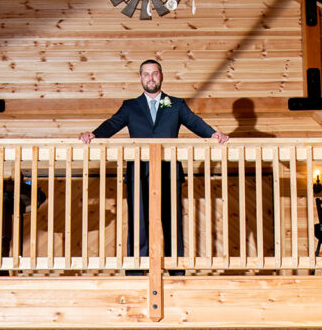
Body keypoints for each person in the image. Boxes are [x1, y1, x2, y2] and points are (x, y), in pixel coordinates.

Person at [79, 60, 228, 265]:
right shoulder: (130, 106)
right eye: (146, 74)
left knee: (171, 221)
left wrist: (213, 134)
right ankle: (137, 269)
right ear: (140, 78)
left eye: (155, 73)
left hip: (168, 171)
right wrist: (94, 134)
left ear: (161, 76)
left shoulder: (176, 104)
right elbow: (113, 123)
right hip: (138, 172)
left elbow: (194, 121)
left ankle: (175, 268)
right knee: (138, 222)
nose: (151, 78)